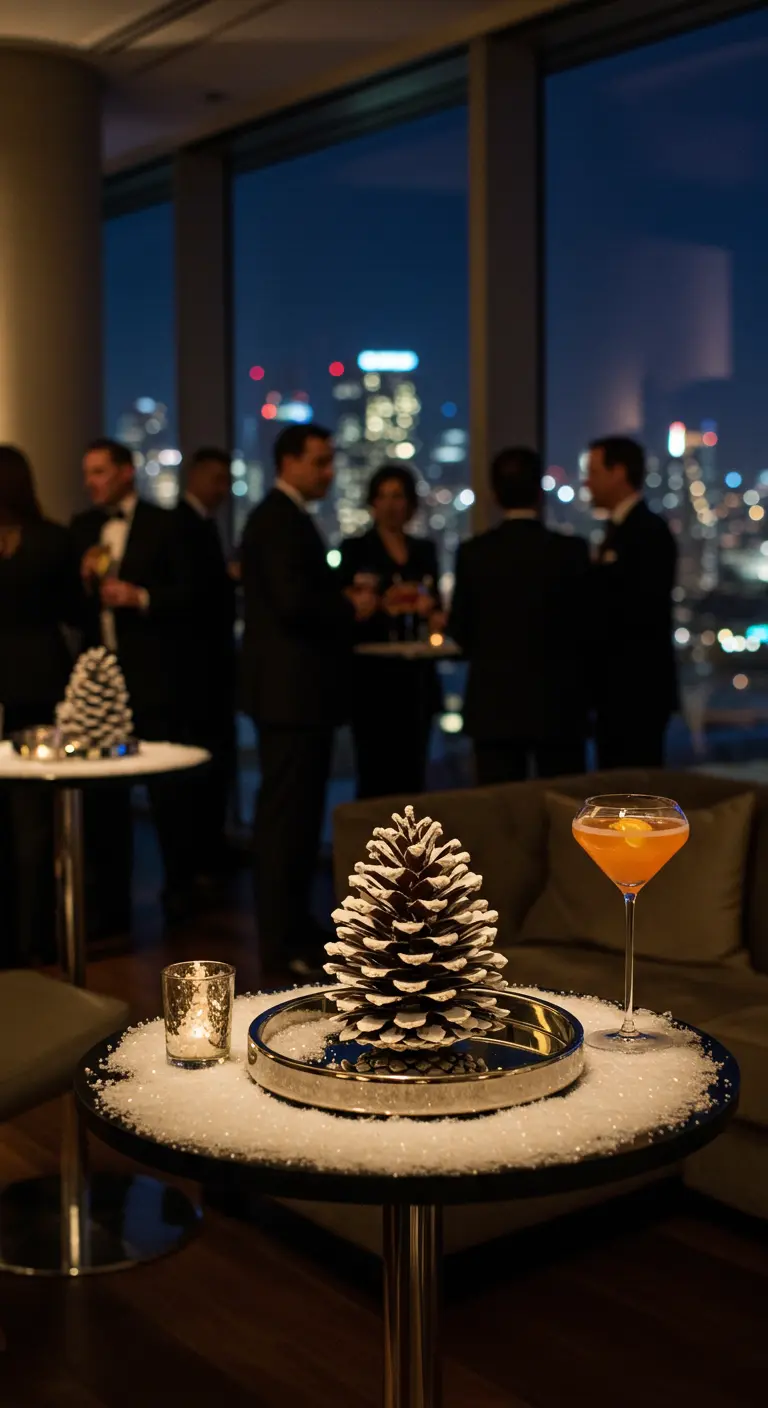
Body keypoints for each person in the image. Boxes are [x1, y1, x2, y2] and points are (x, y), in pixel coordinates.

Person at [240, 423, 375, 975]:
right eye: (320, 462)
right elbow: (295, 604)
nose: (329, 471)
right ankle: (282, 941)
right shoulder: (279, 520)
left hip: (292, 697)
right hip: (291, 698)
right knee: (286, 822)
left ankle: (293, 930)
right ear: (289, 462)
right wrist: (350, 609)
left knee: (292, 819)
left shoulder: (280, 518)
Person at [70, 437, 193, 930]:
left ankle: (180, 893)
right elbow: (68, 608)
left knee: (168, 794)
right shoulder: (82, 529)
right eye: (88, 473)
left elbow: (190, 595)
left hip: (153, 674)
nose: (91, 482)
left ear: (125, 471)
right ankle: (108, 905)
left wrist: (140, 595)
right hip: (99, 676)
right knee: (102, 799)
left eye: (99, 471)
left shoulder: (165, 524)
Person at [449, 446, 590, 784]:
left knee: (500, 815)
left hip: (494, 707)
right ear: (540, 494)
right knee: (562, 810)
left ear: (495, 494)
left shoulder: (474, 554)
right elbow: (586, 628)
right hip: (559, 705)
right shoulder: (571, 552)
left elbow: (461, 632)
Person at [0, 445, 81, 965]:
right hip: (39, 680)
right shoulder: (53, 540)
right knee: (33, 819)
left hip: (15, 682)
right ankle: (36, 940)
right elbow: (72, 608)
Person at [338, 465, 442, 798]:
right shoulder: (356, 549)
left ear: (411, 503)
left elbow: (435, 604)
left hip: (416, 677)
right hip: (371, 679)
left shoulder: (424, 550)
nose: (390, 504)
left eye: (398, 496)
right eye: (382, 496)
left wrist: (431, 612)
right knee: (374, 772)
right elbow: (342, 607)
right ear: (372, 503)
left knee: (413, 772)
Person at [585, 435, 678, 768]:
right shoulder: (624, 528)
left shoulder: (646, 532)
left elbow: (637, 609)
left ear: (619, 472)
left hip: (636, 691)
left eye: (593, 472)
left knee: (633, 788)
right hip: (625, 690)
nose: (587, 482)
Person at [175, 448, 237, 882]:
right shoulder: (182, 527)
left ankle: (208, 853)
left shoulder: (205, 526)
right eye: (216, 478)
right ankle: (200, 859)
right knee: (202, 769)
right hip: (196, 671)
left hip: (210, 669)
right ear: (195, 476)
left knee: (214, 765)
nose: (223, 489)